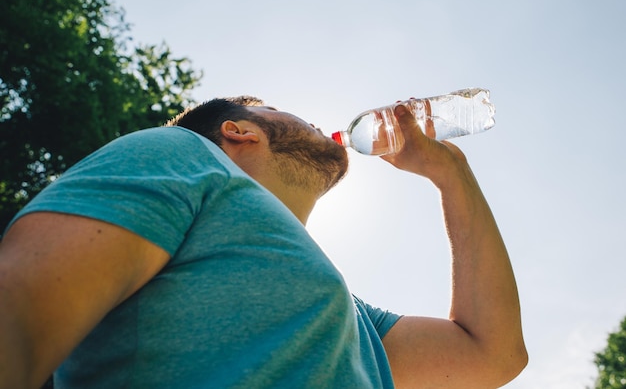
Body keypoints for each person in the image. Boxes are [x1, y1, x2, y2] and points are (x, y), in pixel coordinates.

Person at [0, 95, 527, 388]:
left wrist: (451, 172)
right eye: (276, 105)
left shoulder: (349, 314)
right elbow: (19, 315)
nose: (309, 116)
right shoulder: (180, 153)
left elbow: (492, 353)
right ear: (240, 131)